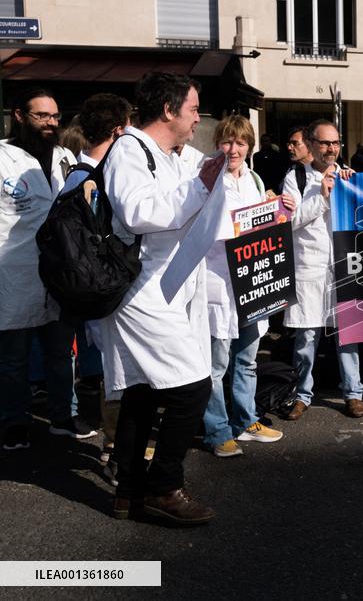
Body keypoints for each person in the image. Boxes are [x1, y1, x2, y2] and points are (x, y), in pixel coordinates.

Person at [100, 72, 225, 524]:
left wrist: (209, 178)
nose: (198, 119)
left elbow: (189, 196)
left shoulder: (165, 154)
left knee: (141, 394)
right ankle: (164, 486)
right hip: (140, 293)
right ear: (169, 110)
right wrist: (198, 188)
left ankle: (127, 492)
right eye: (193, 109)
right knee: (194, 387)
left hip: (164, 288)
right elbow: (137, 212)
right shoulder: (129, 151)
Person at [1, 88, 95, 451]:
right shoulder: (2, 156)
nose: (50, 123)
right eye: (42, 116)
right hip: (14, 272)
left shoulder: (63, 156)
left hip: (59, 272)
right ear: (19, 115)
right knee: (12, 359)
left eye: (55, 117)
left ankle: (63, 414)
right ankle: (13, 421)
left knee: (61, 353)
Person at [203, 115, 295, 458]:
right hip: (218, 278)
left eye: (240, 143)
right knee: (215, 365)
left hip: (253, 281)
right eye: (227, 142)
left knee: (247, 359)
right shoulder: (208, 179)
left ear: (250, 146)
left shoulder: (254, 180)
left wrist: (284, 209)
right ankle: (217, 431)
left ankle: (245, 420)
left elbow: (269, 225)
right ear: (217, 144)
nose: (233, 149)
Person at [64, 93, 133, 479]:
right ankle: (115, 453)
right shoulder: (88, 180)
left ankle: (118, 449)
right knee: (117, 376)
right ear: (118, 130)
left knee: (118, 375)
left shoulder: (84, 175)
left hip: (101, 293)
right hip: (105, 293)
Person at [281, 119, 363, 420]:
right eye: (324, 143)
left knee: (348, 334)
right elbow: (290, 222)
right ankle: (302, 394)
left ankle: (353, 392)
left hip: (342, 266)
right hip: (310, 266)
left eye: (335, 143)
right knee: (306, 339)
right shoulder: (297, 178)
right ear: (312, 145)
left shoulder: (350, 176)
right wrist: (322, 195)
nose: (330, 149)